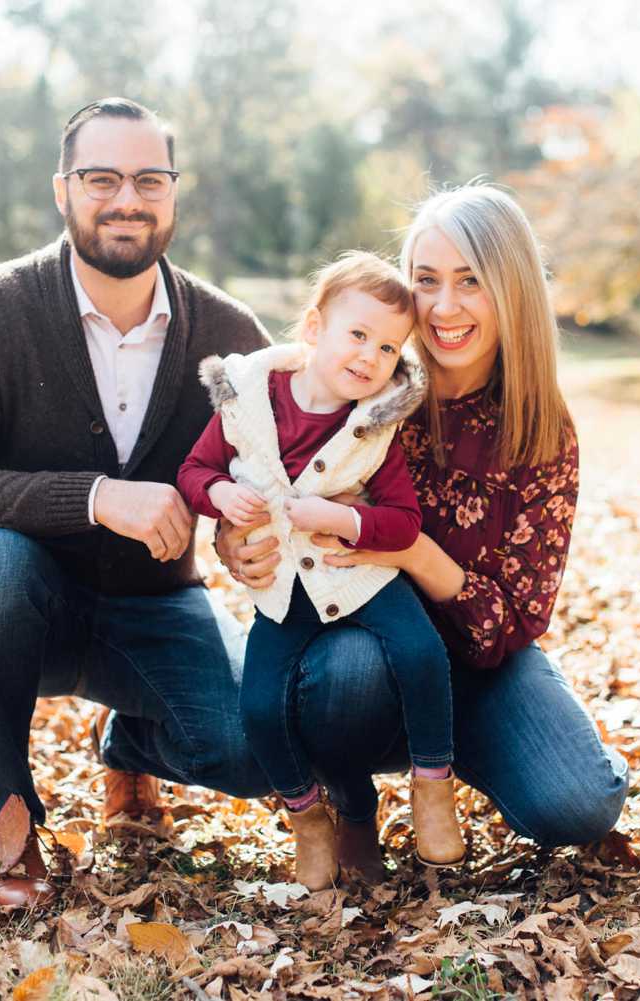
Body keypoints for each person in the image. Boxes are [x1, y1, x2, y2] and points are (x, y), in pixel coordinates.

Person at [0, 97, 271, 909]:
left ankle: (128, 742)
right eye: (101, 177)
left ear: (174, 193)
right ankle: (6, 819)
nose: (126, 199)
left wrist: (250, 542)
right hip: (21, 608)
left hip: (157, 608)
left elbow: (279, 482)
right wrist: (99, 498)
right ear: (62, 189)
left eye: (148, 178)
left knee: (255, 746)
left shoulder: (232, 333)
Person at [215, 184, 630, 881]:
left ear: (513, 289)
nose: (444, 307)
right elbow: (259, 471)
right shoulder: (361, 385)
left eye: (471, 281)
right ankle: (351, 803)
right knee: (334, 678)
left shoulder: (540, 425)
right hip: (360, 650)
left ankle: (459, 754)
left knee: (580, 803)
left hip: (483, 666)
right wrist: (235, 541)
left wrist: (409, 548)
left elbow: (516, 619)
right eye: (427, 281)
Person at [177, 253, 463, 890]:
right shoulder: (247, 400)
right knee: (257, 708)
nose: (369, 357)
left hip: (356, 575)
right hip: (283, 590)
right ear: (313, 328)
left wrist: (343, 520)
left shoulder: (375, 426)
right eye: (357, 335)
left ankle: (432, 785)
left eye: (388, 348)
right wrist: (220, 496)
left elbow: (403, 523)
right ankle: (309, 818)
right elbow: (193, 472)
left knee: (421, 652)